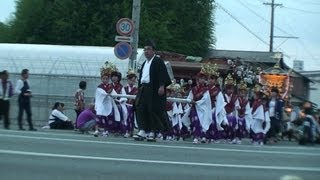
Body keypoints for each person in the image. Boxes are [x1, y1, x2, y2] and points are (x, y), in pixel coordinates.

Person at [133, 43, 172, 141]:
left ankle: (152, 131)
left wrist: (162, 86)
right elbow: (142, 77)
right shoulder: (144, 63)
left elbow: (163, 75)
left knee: (152, 110)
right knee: (141, 108)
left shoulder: (158, 61)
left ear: (153, 51)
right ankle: (142, 130)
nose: (146, 51)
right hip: (143, 88)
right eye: (145, 49)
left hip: (154, 89)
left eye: (149, 49)